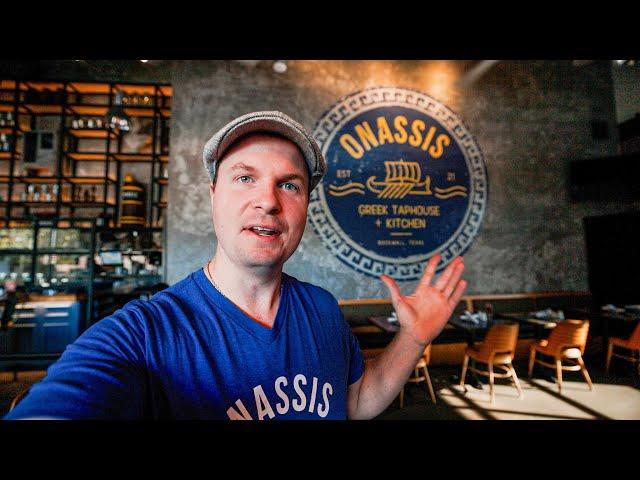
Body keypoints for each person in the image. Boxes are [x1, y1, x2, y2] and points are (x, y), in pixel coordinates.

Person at [4, 111, 467, 420]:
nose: (267, 201)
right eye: (245, 178)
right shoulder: (145, 333)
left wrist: (414, 336)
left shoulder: (322, 310)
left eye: (290, 185)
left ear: (306, 206)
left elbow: (356, 401)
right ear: (213, 196)